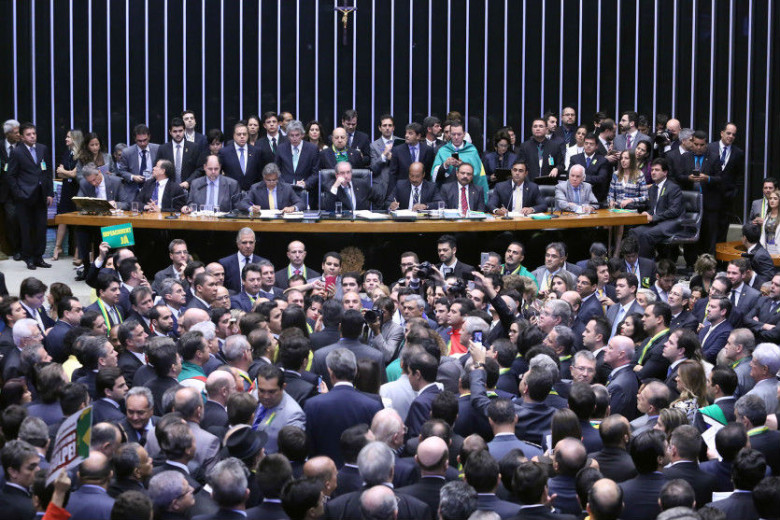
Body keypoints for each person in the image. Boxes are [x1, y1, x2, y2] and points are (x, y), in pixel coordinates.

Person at [304, 348, 384, 466]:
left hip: (323, 474)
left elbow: (309, 446)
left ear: (330, 372)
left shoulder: (312, 405)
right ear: (356, 371)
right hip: (362, 473)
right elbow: (379, 447)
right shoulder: (373, 404)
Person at [7, 122, 54, 270]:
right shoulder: (17, 152)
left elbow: (47, 172)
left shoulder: (42, 148)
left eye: (34, 133)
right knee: (26, 228)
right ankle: (28, 258)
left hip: (41, 194)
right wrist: (18, 193)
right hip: (24, 196)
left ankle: (39, 257)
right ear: (21, 137)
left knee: (41, 227)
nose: (32, 136)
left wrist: (50, 192)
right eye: (28, 134)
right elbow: (11, 175)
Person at [629, 158, 684, 258]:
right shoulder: (653, 188)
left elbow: (674, 211)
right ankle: (635, 261)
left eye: (657, 170)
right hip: (656, 222)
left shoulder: (673, 188)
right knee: (634, 232)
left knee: (647, 235)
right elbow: (651, 207)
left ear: (665, 172)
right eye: (652, 170)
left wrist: (653, 217)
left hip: (671, 222)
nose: (653, 172)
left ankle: (646, 264)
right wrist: (645, 213)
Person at [432, 121, 488, 200]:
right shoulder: (443, 150)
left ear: (464, 134)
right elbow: (434, 175)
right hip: (447, 194)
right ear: (449, 134)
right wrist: (445, 165)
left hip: (468, 192)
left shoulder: (472, 150)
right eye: (453, 134)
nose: (456, 137)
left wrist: (463, 165)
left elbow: (478, 174)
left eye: (459, 134)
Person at [53, 128, 84, 261]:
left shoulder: (82, 154)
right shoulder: (67, 153)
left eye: (68, 137)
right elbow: (59, 172)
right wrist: (67, 172)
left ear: (75, 139)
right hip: (67, 189)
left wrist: (66, 172)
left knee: (78, 220)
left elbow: (75, 174)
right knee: (63, 217)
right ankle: (57, 246)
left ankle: (78, 251)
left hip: (78, 189)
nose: (66, 139)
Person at [156, 116, 207, 188]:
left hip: (189, 188)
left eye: (180, 131)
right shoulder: (163, 149)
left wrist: (188, 182)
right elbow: (157, 168)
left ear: (184, 130)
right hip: (168, 189)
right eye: (175, 131)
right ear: (170, 132)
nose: (178, 134)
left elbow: (200, 168)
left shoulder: (194, 147)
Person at [116, 124, 159, 204]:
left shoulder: (157, 149)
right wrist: (132, 177)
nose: (142, 143)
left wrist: (156, 175)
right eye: (139, 141)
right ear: (135, 139)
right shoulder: (127, 152)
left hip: (152, 189)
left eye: (145, 140)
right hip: (133, 190)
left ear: (149, 137)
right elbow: (121, 171)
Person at [276, 119, 320, 195]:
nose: (294, 138)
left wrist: (306, 183)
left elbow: (316, 173)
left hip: (305, 192)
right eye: (291, 135)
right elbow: (276, 170)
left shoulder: (312, 149)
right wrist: (283, 184)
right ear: (287, 136)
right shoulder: (281, 148)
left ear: (302, 135)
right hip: (285, 191)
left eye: (297, 135)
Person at [218, 228, 268, 294]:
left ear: (255, 243)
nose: (248, 246)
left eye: (251, 242)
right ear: (237, 243)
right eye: (244, 242)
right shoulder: (225, 263)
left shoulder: (263, 263)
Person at [218, 121, 262, 191]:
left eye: (244, 134)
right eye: (239, 134)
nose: (242, 136)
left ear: (248, 135)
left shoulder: (256, 151)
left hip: (252, 193)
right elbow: (219, 174)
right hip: (231, 193)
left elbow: (260, 174)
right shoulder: (224, 152)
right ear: (234, 136)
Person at [760, 189, 780, 254]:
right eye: (770, 198)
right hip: (767, 249)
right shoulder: (768, 215)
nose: (772, 201)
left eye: (775, 199)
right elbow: (763, 234)